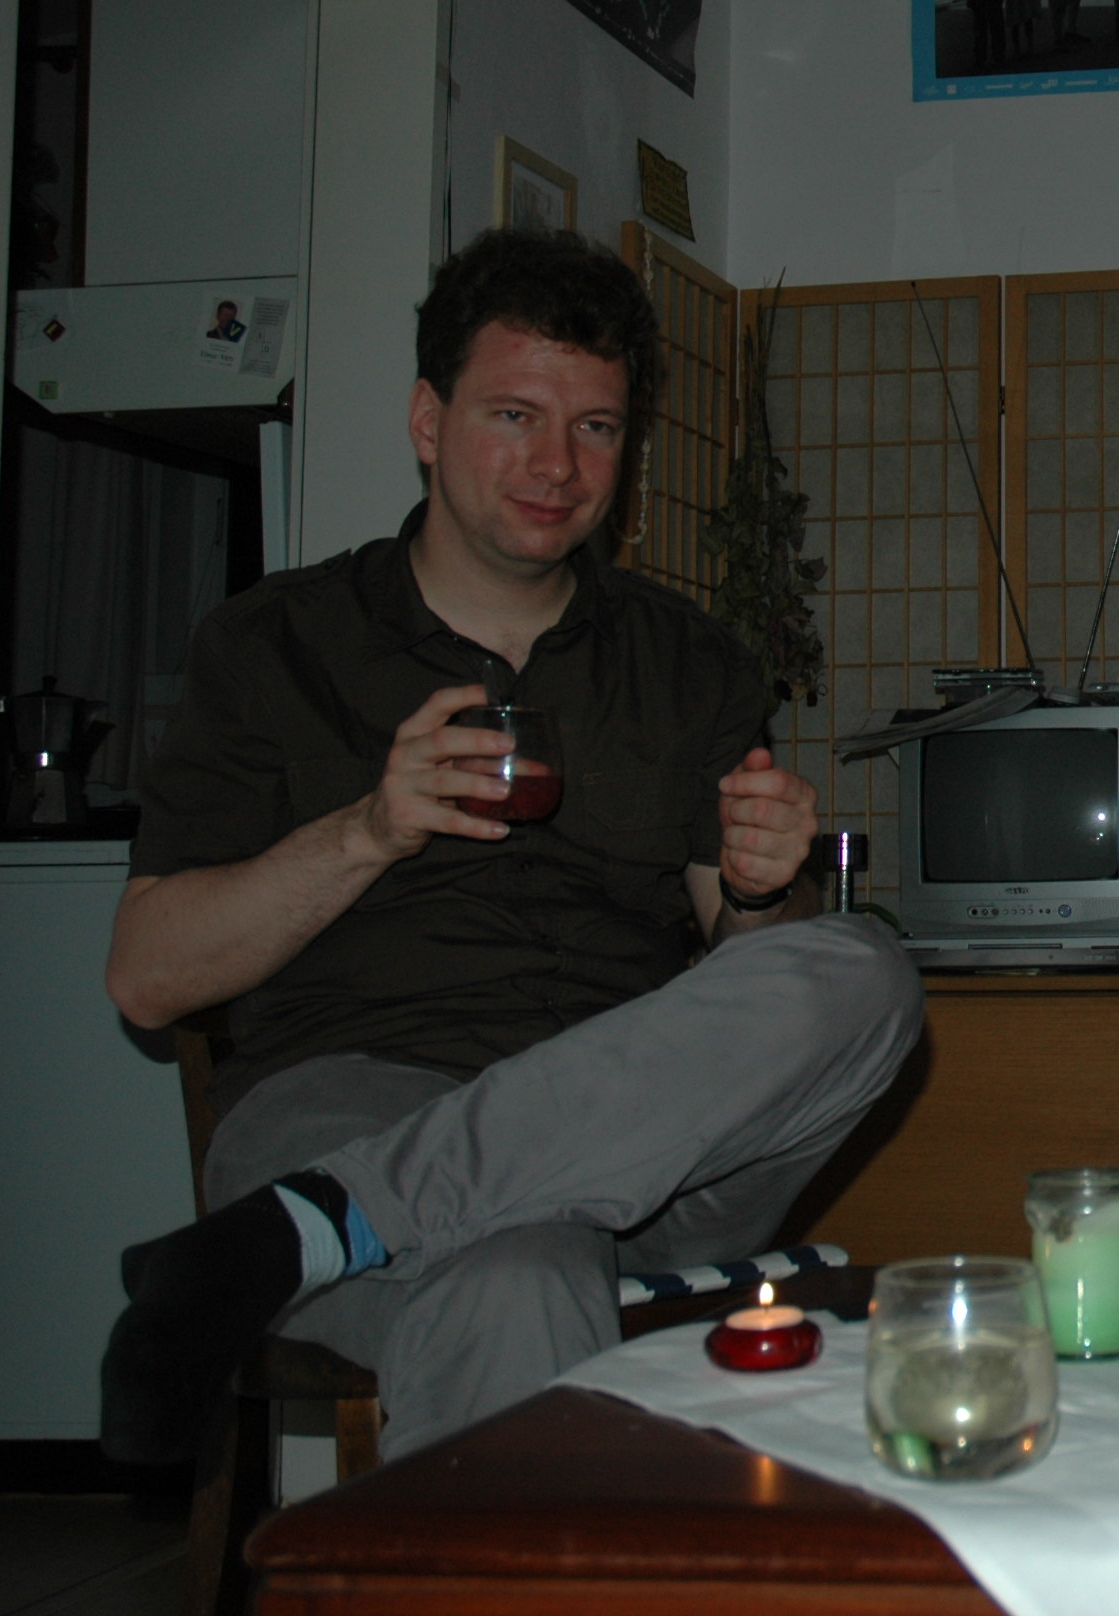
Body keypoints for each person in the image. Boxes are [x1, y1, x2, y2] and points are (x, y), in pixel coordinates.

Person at [98, 228, 923, 1461]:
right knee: (519, 1272)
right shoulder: (276, 643)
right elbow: (147, 976)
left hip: (644, 1156)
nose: (556, 465)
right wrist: (368, 829)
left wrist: (760, 890)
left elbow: (745, 957)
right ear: (428, 421)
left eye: (595, 427)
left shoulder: (683, 657)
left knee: (863, 969)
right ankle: (367, 1214)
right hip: (353, 1097)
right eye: (515, 416)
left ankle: (315, 1227)